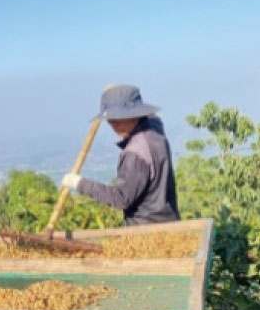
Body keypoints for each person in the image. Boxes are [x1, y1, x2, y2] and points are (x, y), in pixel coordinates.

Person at [61, 84, 180, 226]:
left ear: (135, 114)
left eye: (122, 118)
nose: (116, 126)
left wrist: (79, 183)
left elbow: (120, 198)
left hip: (144, 227)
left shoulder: (135, 155)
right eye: (112, 120)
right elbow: (152, 116)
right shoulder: (155, 127)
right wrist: (114, 96)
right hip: (169, 219)